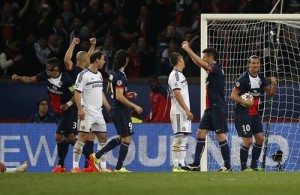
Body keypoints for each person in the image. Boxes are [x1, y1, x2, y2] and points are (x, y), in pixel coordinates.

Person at [12, 57, 78, 173]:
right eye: (46, 68)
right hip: (58, 112)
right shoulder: (46, 75)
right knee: (71, 138)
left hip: (68, 112)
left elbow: (76, 95)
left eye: (49, 68)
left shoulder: (67, 80)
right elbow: (31, 79)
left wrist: (68, 104)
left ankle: (61, 165)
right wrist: (19, 78)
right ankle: (90, 157)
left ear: (56, 68)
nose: (46, 70)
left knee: (58, 136)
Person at [181, 41, 232, 172]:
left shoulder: (217, 68)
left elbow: (201, 63)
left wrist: (188, 49)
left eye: (204, 57)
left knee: (220, 136)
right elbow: (199, 62)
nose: (203, 59)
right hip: (210, 109)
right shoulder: (211, 70)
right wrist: (191, 54)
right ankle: (196, 164)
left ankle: (227, 166)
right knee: (200, 132)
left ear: (210, 58)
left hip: (217, 107)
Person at [90, 50, 143, 172]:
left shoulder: (113, 73)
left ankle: (96, 156)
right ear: (124, 60)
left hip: (116, 109)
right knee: (127, 138)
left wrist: (127, 94)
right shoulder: (120, 75)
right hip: (120, 110)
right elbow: (118, 96)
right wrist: (134, 106)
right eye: (127, 58)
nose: (128, 60)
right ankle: (119, 168)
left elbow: (110, 90)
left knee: (121, 137)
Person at [230, 55, 277, 171]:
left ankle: (253, 166)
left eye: (257, 63)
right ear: (248, 65)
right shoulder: (243, 79)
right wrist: (244, 101)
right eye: (253, 63)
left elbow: (270, 94)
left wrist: (274, 84)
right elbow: (233, 95)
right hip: (243, 113)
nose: (255, 65)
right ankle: (243, 168)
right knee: (248, 141)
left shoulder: (261, 78)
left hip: (255, 114)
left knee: (260, 139)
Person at [71, 50, 111, 173]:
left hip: (98, 112)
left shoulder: (99, 75)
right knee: (82, 137)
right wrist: (80, 109)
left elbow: (101, 92)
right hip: (87, 112)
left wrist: (108, 107)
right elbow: (77, 92)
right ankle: (75, 167)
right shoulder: (83, 75)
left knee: (103, 138)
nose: (104, 62)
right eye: (103, 59)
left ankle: (103, 168)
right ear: (97, 60)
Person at [64, 37, 100, 171]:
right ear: (85, 61)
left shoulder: (86, 71)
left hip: (87, 107)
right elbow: (67, 60)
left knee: (90, 135)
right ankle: (83, 162)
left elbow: (87, 56)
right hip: (76, 107)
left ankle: (88, 164)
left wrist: (92, 46)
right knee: (78, 136)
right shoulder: (75, 70)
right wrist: (72, 43)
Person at [168, 52, 193, 172]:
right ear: (178, 60)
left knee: (183, 138)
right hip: (178, 111)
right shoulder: (175, 75)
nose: (184, 61)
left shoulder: (180, 75)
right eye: (182, 58)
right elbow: (177, 94)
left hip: (182, 111)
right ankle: (175, 165)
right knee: (178, 138)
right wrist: (187, 110)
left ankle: (182, 164)